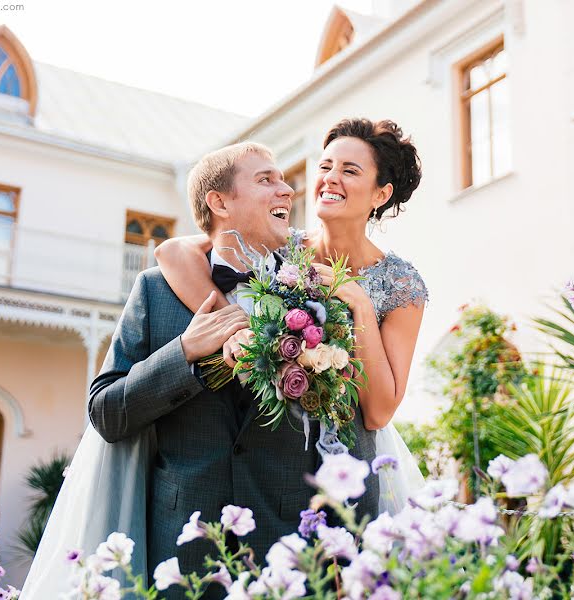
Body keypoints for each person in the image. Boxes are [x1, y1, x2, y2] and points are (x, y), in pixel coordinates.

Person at [21, 141, 379, 599]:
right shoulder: (155, 291)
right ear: (220, 202)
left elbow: (351, 432)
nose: (287, 191)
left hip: (289, 558)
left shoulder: (320, 299)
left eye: (283, 180)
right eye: (266, 179)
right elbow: (106, 413)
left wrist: (365, 556)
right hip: (180, 558)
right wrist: (185, 352)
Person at [155, 118, 428, 512]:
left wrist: (359, 303)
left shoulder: (402, 284)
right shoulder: (280, 243)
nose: (330, 179)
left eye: (349, 171)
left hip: (349, 470)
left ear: (380, 194)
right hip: (276, 472)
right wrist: (236, 328)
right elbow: (174, 253)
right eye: (325, 167)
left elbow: (379, 411)